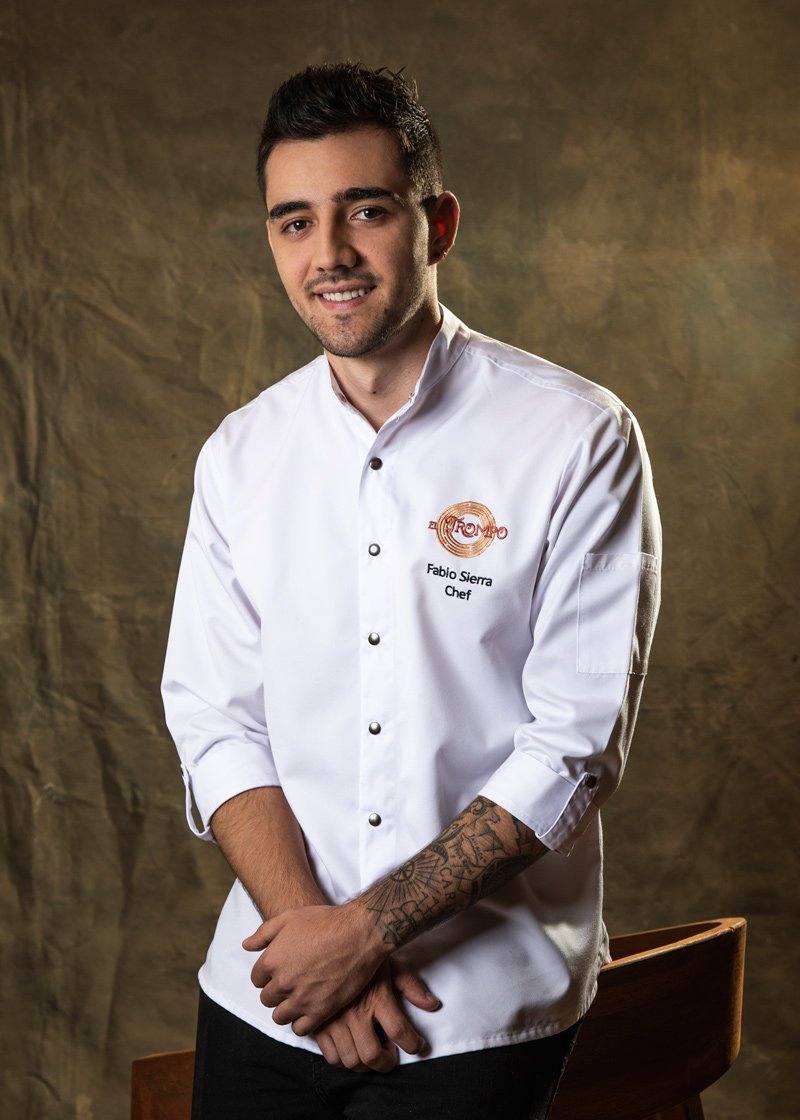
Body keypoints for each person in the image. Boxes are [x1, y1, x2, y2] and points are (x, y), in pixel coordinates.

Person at [162, 61, 661, 1120]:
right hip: (272, 987)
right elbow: (215, 720)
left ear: (437, 224)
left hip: (477, 1006)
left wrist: (365, 934)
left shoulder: (577, 439)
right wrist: (316, 944)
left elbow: (573, 745)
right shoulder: (240, 454)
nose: (329, 255)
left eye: (366, 211)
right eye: (294, 222)